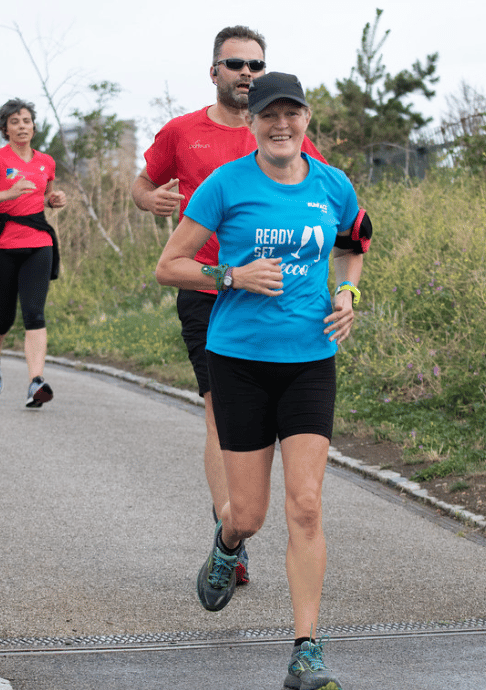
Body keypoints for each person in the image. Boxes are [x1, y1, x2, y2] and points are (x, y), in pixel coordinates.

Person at [156, 72, 371, 690]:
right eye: (269, 116)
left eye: (292, 115)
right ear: (252, 124)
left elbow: (354, 243)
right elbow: (169, 266)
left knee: (306, 506)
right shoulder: (227, 184)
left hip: (309, 358)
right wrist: (231, 276)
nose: (282, 125)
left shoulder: (333, 184)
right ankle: (228, 546)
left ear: (307, 121)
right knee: (248, 514)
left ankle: (306, 650)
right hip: (240, 360)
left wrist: (349, 290)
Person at [132, 25, 327, 586]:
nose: (246, 73)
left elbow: (318, 197)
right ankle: (231, 532)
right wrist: (152, 199)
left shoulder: (280, 128)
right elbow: (143, 185)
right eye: (235, 64)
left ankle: (236, 522)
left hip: (275, 297)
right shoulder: (182, 132)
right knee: (221, 411)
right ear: (214, 71)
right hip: (208, 290)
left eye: (256, 65)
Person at [0, 98, 66, 407]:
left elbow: (45, 194)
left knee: (34, 313)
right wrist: (7, 193)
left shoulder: (45, 161)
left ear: (33, 125)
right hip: (3, 245)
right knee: (5, 316)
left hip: (38, 241)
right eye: (15, 122)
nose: (22, 126)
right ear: (5, 129)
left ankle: (35, 382)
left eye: (26, 120)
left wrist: (54, 200)